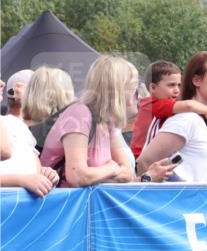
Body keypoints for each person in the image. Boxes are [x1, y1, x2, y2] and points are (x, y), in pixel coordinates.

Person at [41, 56, 175, 186]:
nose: (139, 97)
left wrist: (97, 175)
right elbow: (77, 176)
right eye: (135, 89)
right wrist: (111, 168)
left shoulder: (106, 122)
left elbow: (128, 173)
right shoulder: (79, 115)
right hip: (65, 206)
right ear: (117, 91)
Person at [137, 51, 207, 183]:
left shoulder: (197, 119)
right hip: (179, 202)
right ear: (196, 80)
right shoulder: (187, 119)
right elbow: (145, 162)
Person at [131, 60, 207, 159]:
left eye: (179, 85)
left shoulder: (162, 106)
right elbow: (189, 106)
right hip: (141, 159)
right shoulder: (151, 105)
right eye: (171, 85)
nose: (177, 90)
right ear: (153, 88)